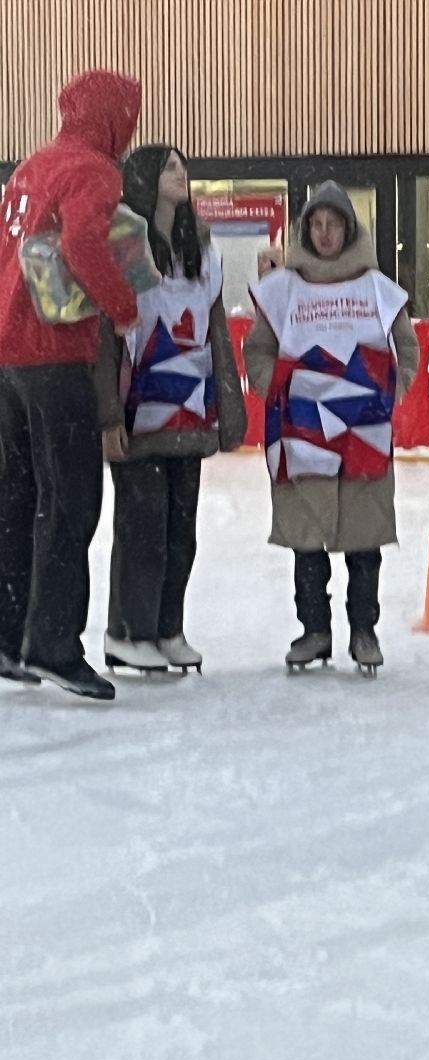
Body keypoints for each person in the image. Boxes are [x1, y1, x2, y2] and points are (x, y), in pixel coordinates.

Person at [0, 69, 143, 700]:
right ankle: (55, 645)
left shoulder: (30, 167)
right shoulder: (94, 170)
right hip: (54, 354)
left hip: (7, 355)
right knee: (71, 500)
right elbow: (85, 242)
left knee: (15, 496)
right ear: (114, 117)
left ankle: (9, 637)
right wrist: (125, 307)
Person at [243, 182, 420, 676]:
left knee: (363, 540)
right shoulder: (281, 291)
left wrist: (388, 390)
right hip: (303, 436)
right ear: (305, 230)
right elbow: (257, 350)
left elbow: (406, 347)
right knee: (308, 540)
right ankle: (314, 631)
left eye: (333, 224)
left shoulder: (378, 289)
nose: (324, 234)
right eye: (316, 224)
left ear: (349, 229)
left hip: (361, 434)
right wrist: (272, 385)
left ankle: (364, 631)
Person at [93, 145, 247, 674]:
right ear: (143, 179)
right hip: (138, 415)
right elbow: (105, 340)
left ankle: (167, 628)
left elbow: (217, 332)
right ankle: (126, 631)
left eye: (184, 167)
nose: (182, 174)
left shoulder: (202, 250)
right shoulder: (124, 249)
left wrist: (229, 404)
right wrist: (109, 413)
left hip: (188, 411)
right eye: (169, 167)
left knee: (181, 530)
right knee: (142, 526)